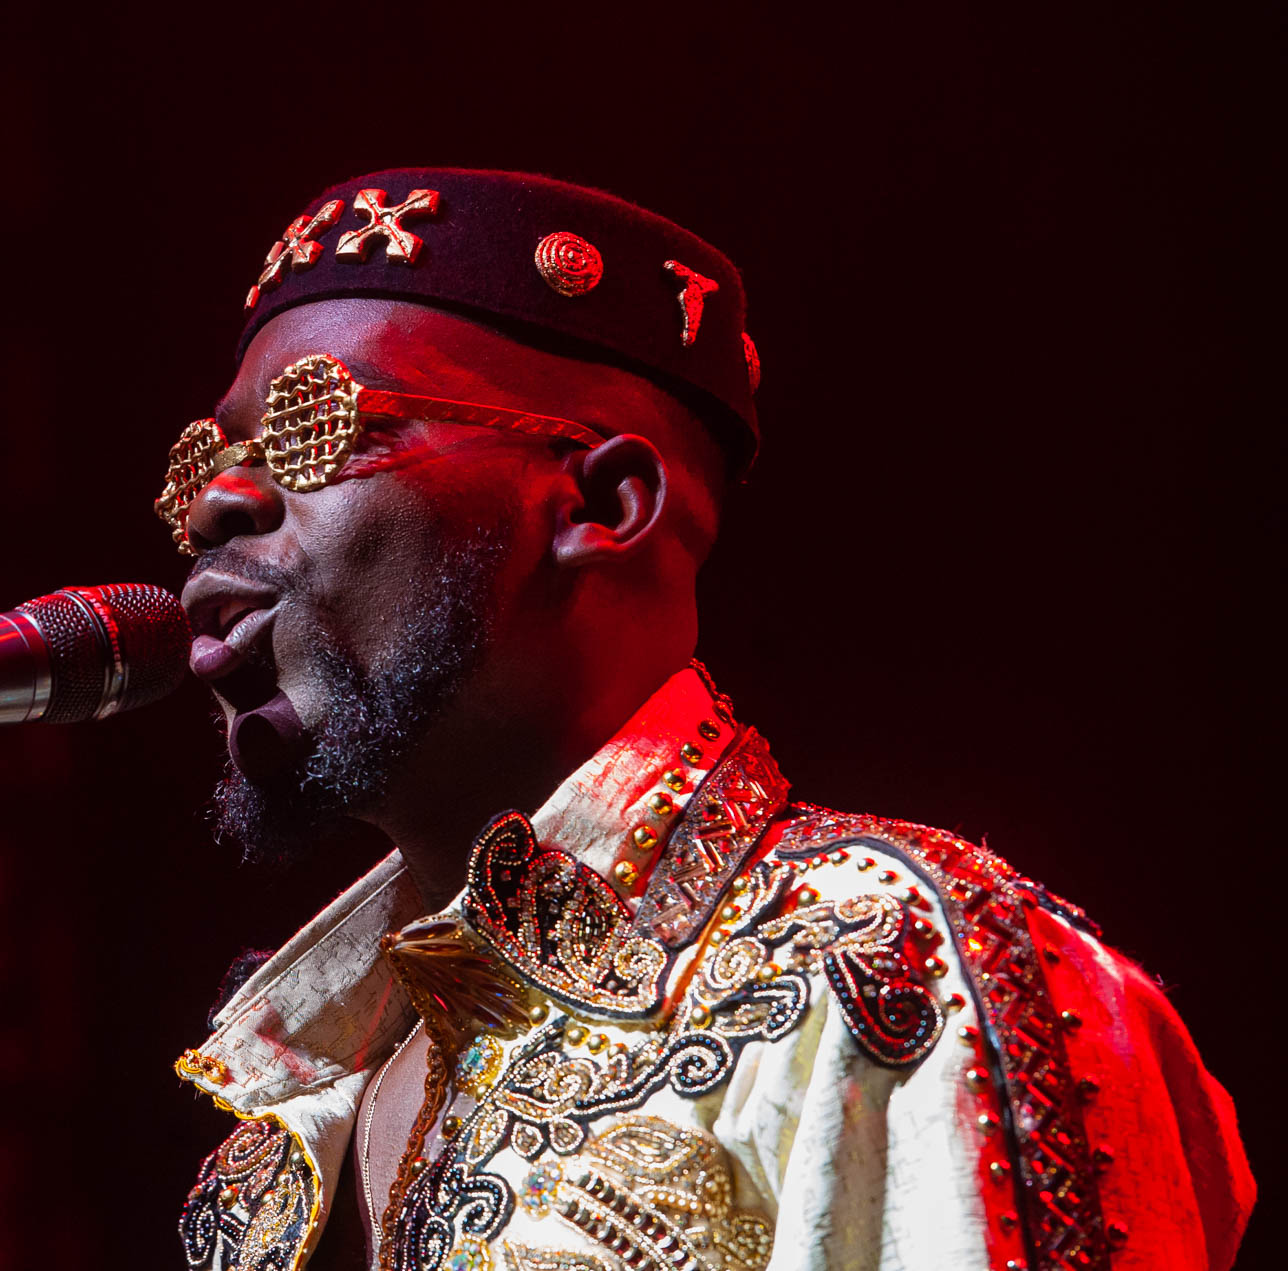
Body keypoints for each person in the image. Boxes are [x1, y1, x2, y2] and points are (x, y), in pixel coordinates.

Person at [159, 168, 1251, 1271]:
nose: (213, 506)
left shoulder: (893, 966)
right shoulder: (287, 1111)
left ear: (601, 502)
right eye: (204, 463)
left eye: (313, 427)